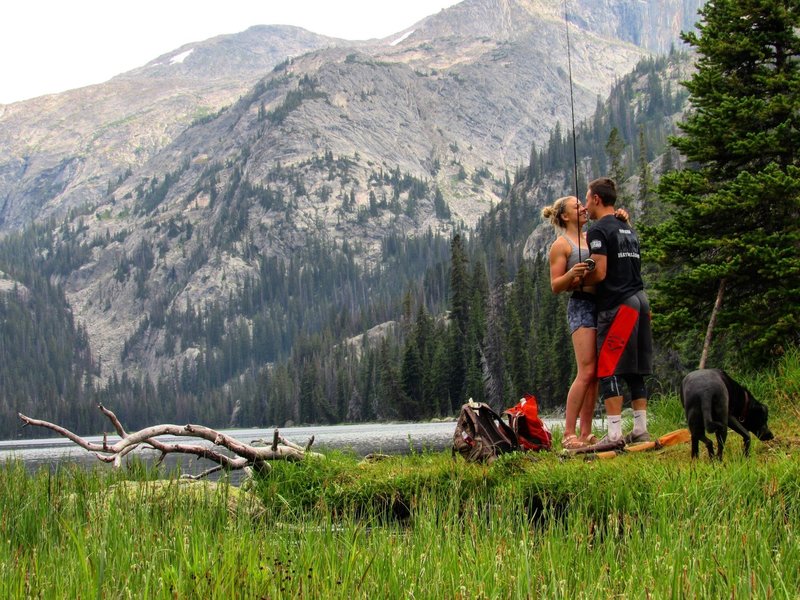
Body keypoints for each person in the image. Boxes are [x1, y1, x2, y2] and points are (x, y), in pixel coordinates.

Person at [542, 196, 628, 450]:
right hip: (580, 306)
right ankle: (569, 434)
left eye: (583, 204)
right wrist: (572, 274)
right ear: (565, 216)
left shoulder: (593, 236)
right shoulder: (561, 245)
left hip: (601, 305)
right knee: (586, 371)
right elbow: (556, 285)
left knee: (595, 374)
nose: (582, 207)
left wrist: (621, 219)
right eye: (576, 206)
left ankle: (586, 432)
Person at [581, 177, 653, 446]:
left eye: (587, 199)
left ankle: (613, 435)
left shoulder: (599, 230)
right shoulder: (627, 228)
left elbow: (599, 272)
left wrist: (576, 280)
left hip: (618, 305)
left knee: (608, 368)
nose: (586, 206)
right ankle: (640, 430)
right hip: (641, 301)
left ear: (597, 199)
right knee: (635, 370)